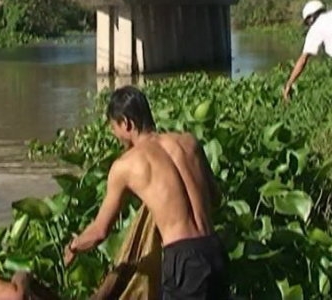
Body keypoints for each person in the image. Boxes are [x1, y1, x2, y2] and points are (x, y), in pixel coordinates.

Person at [63, 86, 229, 299]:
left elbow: (100, 231)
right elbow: (216, 198)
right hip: (215, 250)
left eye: (114, 128)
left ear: (126, 123)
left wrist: (74, 246)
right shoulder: (189, 142)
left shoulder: (126, 165)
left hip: (183, 260)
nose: (116, 136)